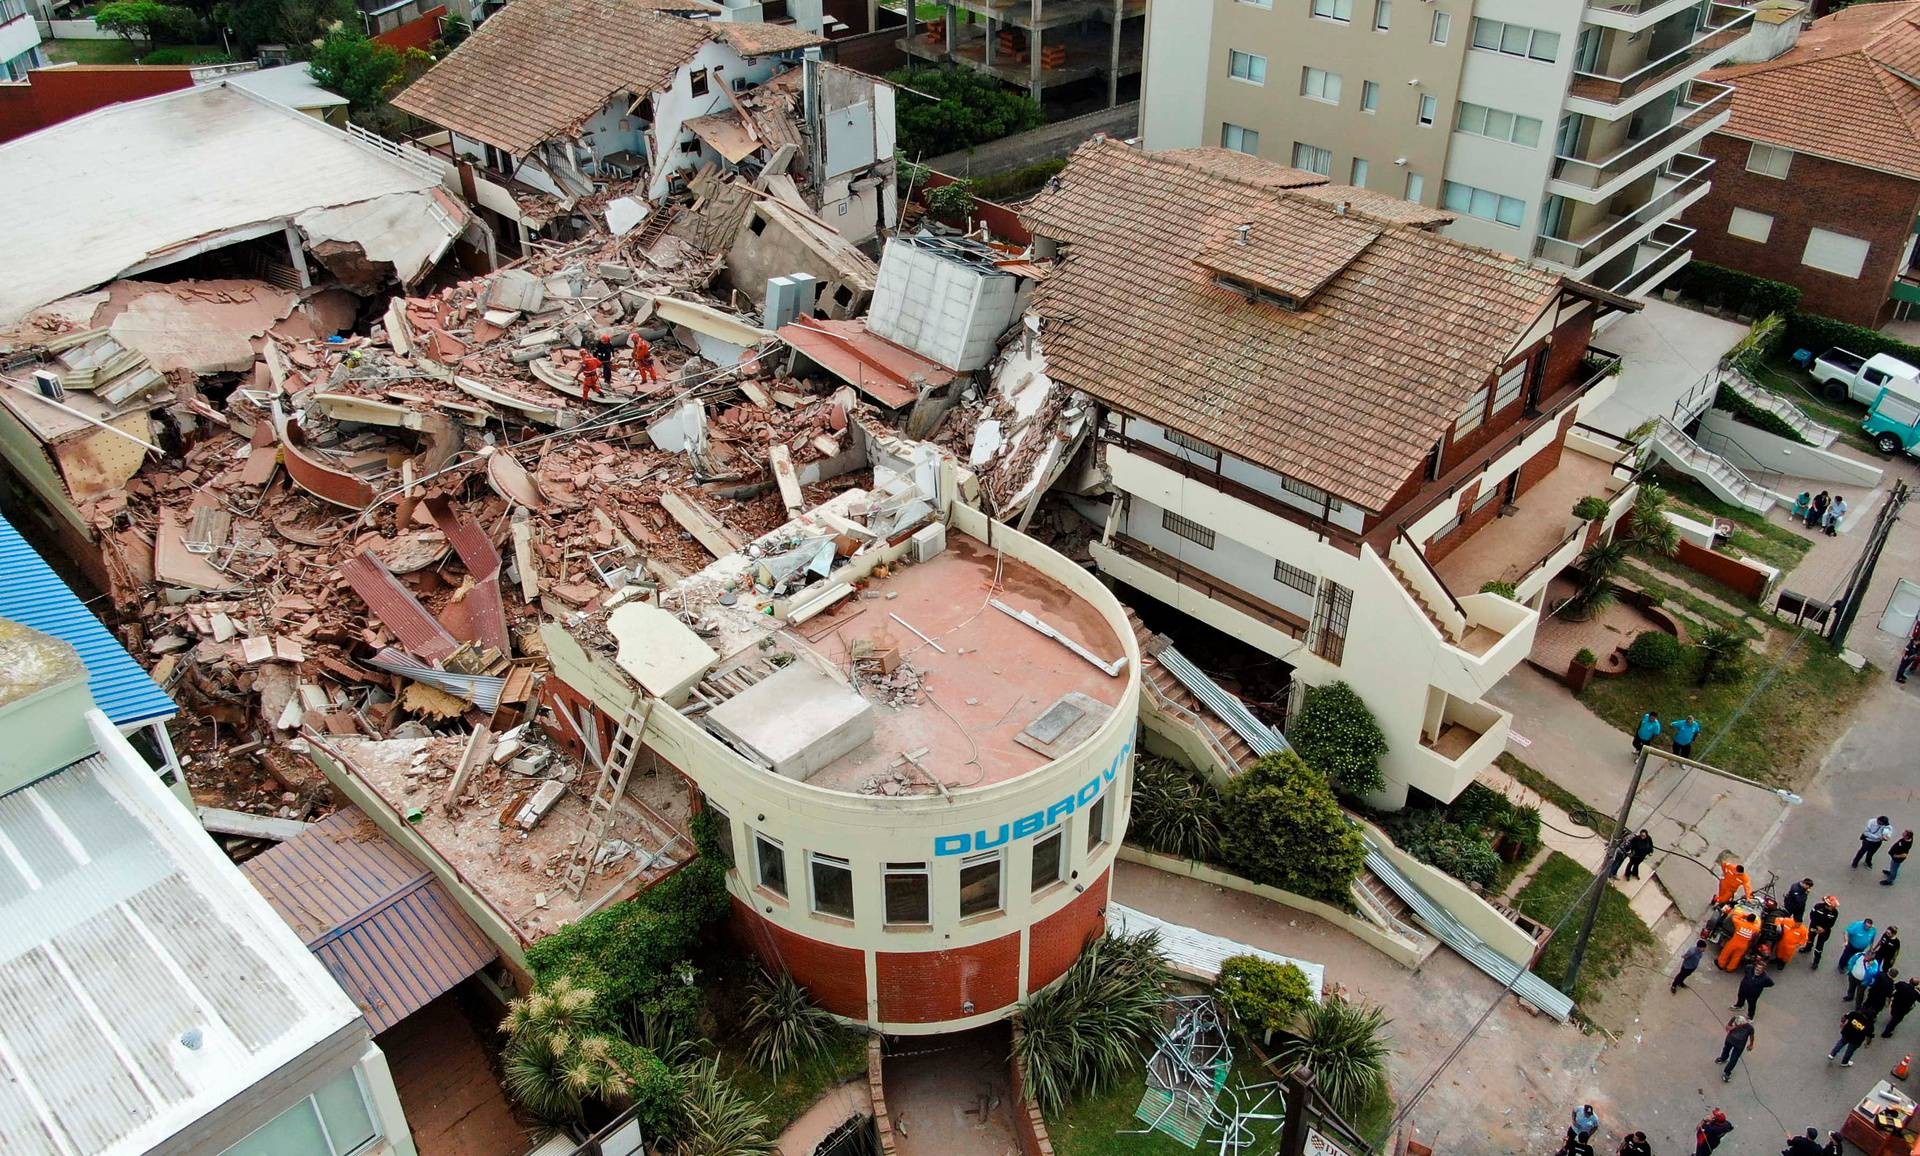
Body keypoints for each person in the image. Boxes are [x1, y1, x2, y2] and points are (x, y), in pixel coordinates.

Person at [1717, 1014, 1756, 1081]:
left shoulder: (1750, 1028)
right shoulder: (1735, 1018)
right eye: (1736, 1024)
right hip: (1729, 1040)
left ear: (1743, 1023)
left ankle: (1727, 1072)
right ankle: (1723, 1058)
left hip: (1739, 1045)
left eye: (1739, 1025)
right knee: (1726, 1049)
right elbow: (1727, 1027)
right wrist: (1733, 1027)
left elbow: (1752, 1037)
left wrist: (1751, 1045)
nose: (1737, 1025)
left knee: (1734, 1059)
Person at [1809, 895, 1841, 967]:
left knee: (1819, 946)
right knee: (1810, 937)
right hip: (1814, 926)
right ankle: (1808, 947)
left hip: (1824, 931)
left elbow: (1831, 923)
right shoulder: (1818, 907)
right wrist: (1817, 926)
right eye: (1833, 906)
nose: (1834, 908)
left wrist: (1824, 929)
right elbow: (1812, 916)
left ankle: (1816, 961)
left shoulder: (1835, 912)